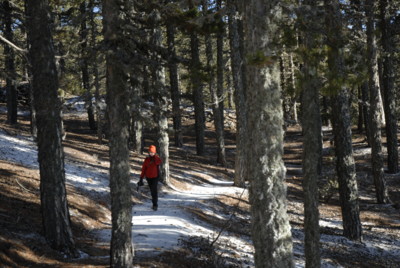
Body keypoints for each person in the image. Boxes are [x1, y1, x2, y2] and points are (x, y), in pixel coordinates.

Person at [139, 145, 162, 211]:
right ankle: (154, 204)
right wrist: (141, 178)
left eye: (152, 152)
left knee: (154, 190)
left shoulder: (157, 158)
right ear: (148, 152)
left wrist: (154, 158)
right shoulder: (146, 160)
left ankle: (155, 205)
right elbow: (144, 169)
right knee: (152, 191)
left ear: (155, 152)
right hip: (148, 177)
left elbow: (159, 162)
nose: (151, 153)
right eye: (150, 152)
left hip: (155, 177)